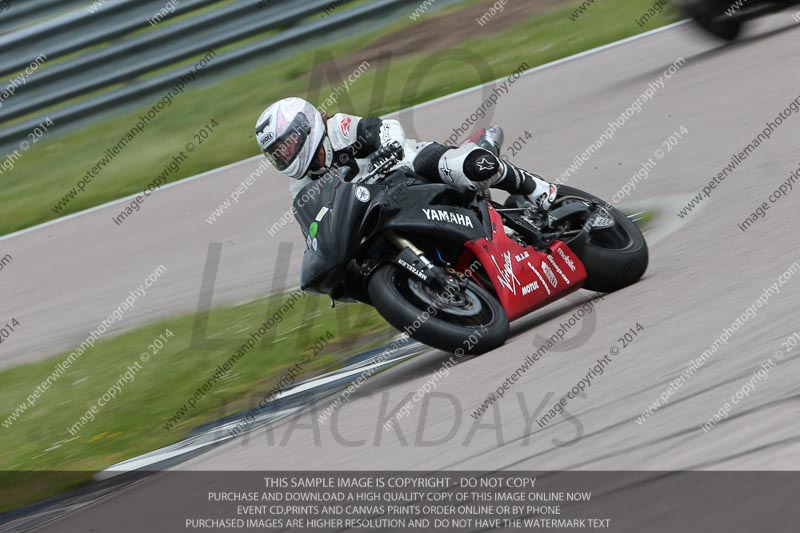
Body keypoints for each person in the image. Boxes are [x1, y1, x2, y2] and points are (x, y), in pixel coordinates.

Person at [254, 97, 557, 209]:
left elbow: (383, 128)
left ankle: (538, 188)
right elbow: (314, 223)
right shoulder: (301, 185)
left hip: (410, 170)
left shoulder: (338, 129)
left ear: (305, 127)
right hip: (380, 207)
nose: (285, 154)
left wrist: (390, 147)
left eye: (286, 144)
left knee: (472, 167)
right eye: (277, 152)